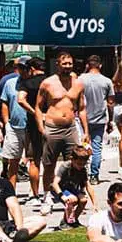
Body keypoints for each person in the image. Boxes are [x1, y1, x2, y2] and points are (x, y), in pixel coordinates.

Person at [34, 50, 85, 199]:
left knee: (75, 162)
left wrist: (86, 130)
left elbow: (82, 109)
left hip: (71, 128)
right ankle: (47, 196)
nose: (68, 66)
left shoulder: (78, 84)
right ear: (58, 65)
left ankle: (71, 192)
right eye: (64, 63)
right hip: (53, 127)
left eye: (70, 63)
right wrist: (41, 127)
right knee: (49, 164)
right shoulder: (48, 83)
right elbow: (38, 107)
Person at [78, 55, 114, 183]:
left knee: (82, 146)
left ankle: (80, 171)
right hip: (100, 118)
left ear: (87, 65)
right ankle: (94, 175)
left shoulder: (80, 79)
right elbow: (110, 103)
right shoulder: (107, 81)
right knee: (97, 147)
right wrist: (111, 120)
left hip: (83, 118)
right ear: (100, 65)